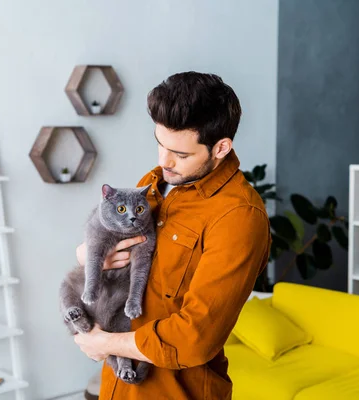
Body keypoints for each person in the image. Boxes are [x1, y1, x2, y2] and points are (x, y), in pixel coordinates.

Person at [74, 71, 271, 400]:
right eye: (160, 145)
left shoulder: (238, 218)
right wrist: (87, 255)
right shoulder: (153, 185)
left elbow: (195, 336)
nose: (164, 162)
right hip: (118, 387)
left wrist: (104, 343)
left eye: (180, 155)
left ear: (220, 147)